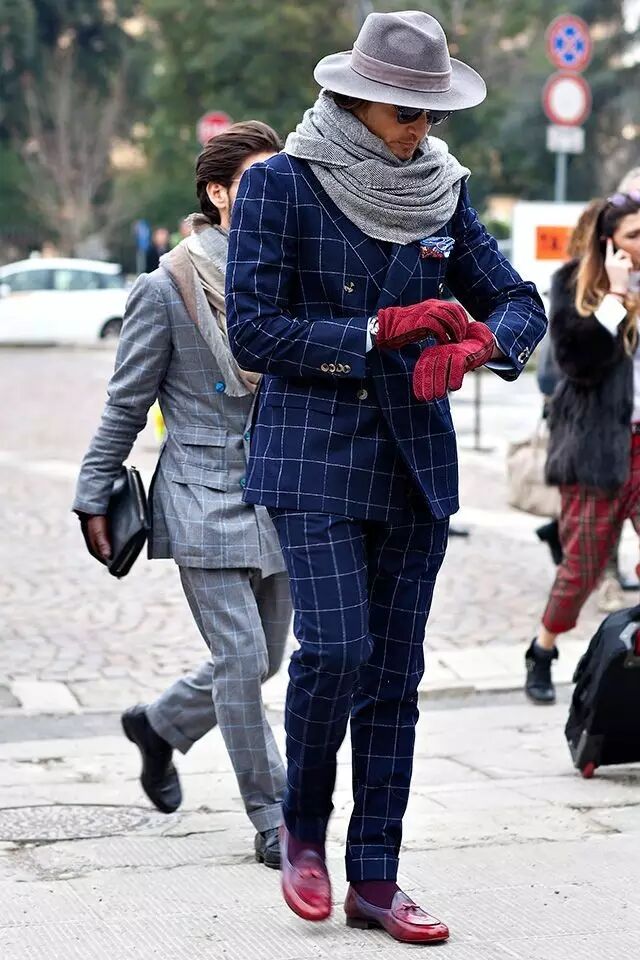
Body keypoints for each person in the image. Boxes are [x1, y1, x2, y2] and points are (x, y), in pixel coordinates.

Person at [226, 11, 546, 943]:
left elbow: (519, 300)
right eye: (408, 112)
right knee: (335, 649)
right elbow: (254, 329)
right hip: (311, 456)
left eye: (433, 114)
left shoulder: (443, 191)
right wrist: (373, 334)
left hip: (414, 466)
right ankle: (302, 829)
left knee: (395, 676)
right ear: (354, 99)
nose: (422, 129)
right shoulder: (280, 184)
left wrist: (483, 346)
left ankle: (376, 877)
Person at [73, 121, 292, 869]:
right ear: (217, 193)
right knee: (240, 658)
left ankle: (160, 725)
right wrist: (93, 493)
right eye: (254, 181)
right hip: (200, 493)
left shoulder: (288, 274)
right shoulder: (166, 286)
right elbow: (126, 403)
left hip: (278, 491)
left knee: (264, 661)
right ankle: (275, 816)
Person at [525, 190, 640, 704]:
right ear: (609, 241)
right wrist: (614, 297)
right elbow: (578, 363)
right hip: (596, 450)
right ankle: (542, 649)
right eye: (634, 236)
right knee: (582, 572)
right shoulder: (573, 283)